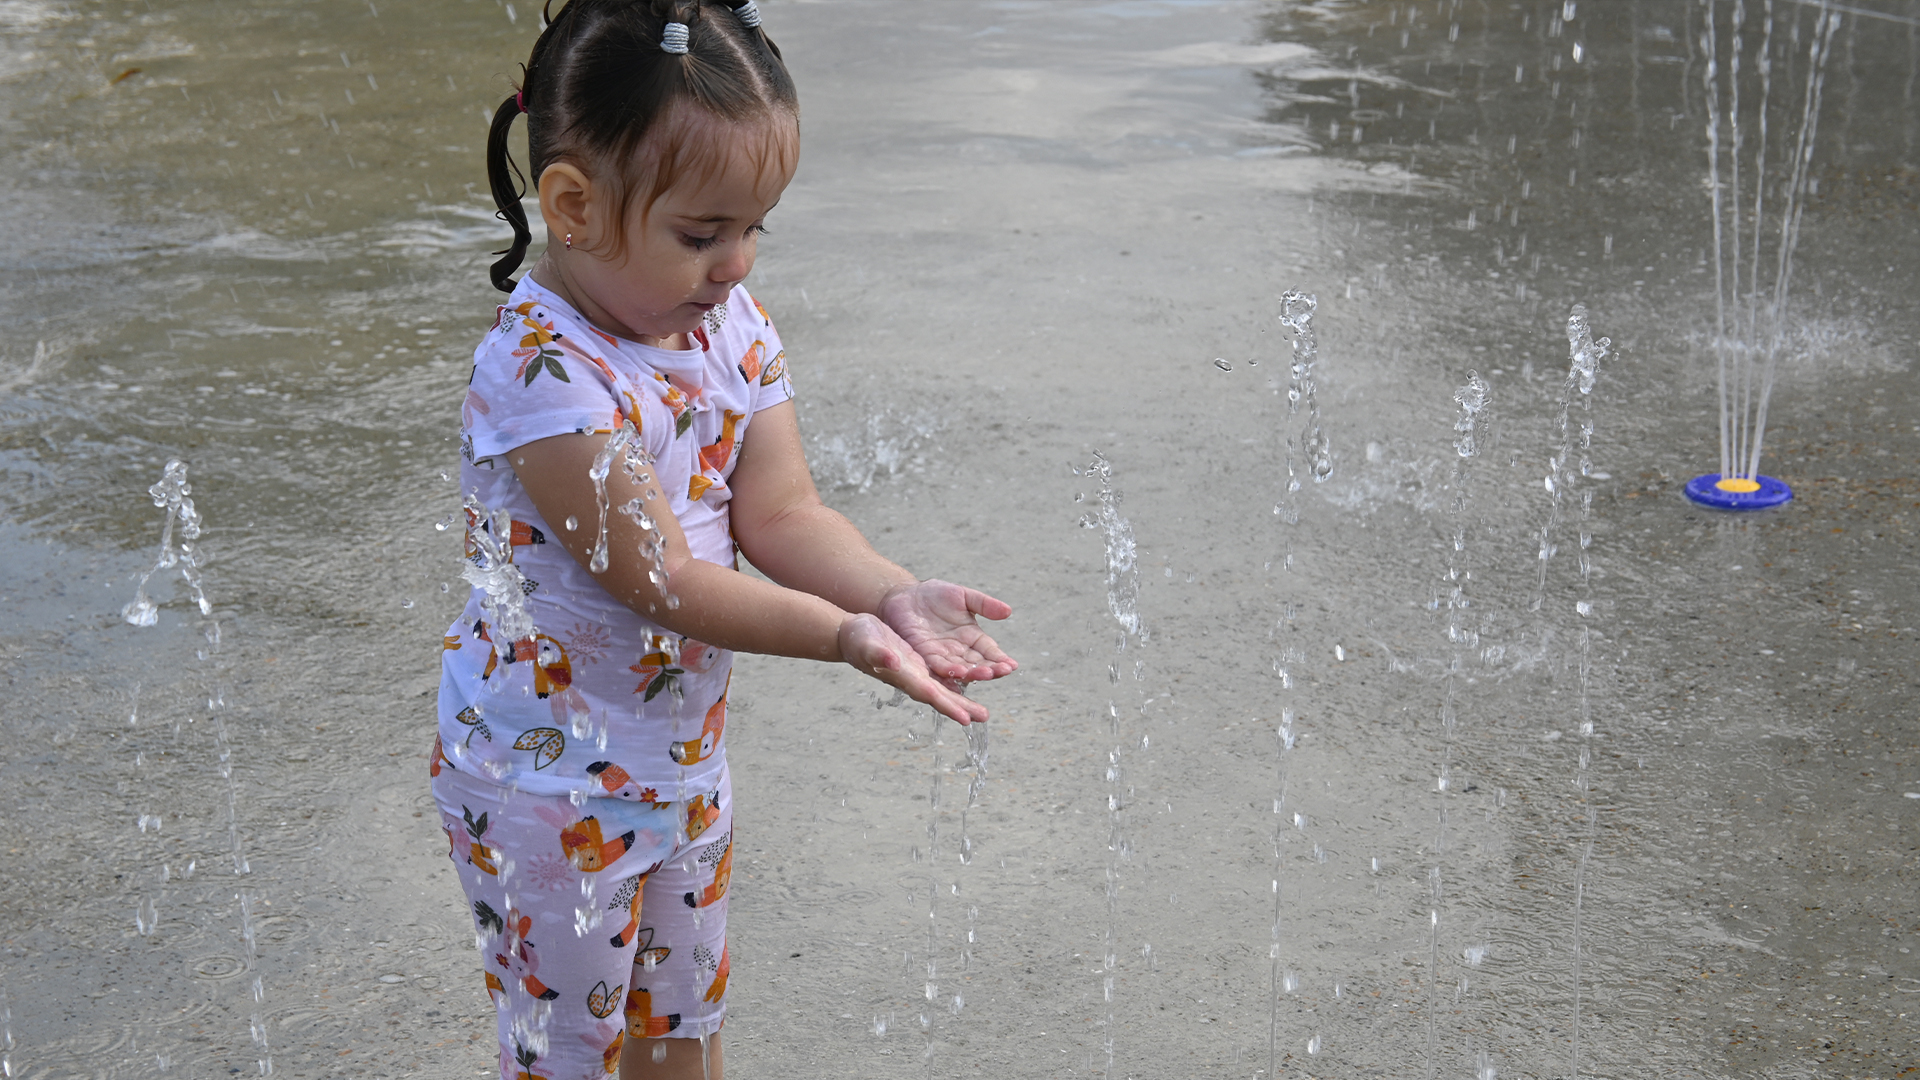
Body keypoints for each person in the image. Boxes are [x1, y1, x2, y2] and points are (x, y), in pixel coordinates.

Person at [427, 3, 1017, 1077]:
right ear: (573, 206)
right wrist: (841, 636)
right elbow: (663, 580)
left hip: (684, 768)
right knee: (569, 1058)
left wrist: (887, 593)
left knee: (681, 1039)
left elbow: (781, 514)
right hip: (543, 786)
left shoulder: (725, 326)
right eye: (702, 235)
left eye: (756, 229)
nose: (736, 264)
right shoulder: (546, 375)